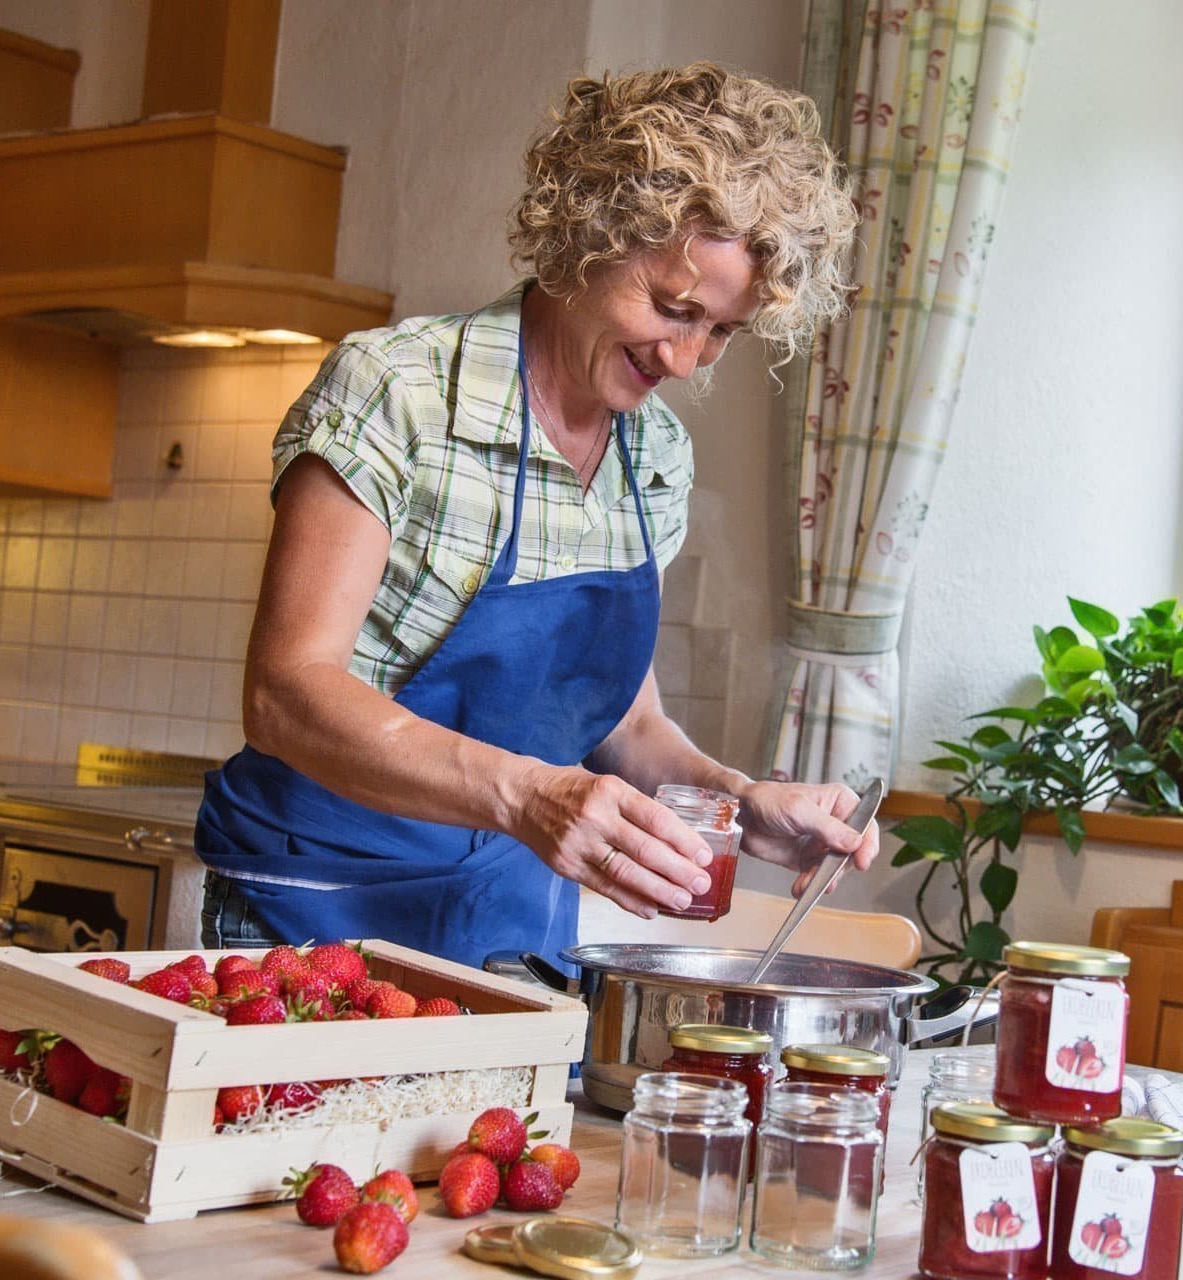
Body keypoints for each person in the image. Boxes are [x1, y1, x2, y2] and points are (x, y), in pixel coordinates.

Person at [194, 64, 864, 969]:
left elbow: (626, 727)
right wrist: (527, 797)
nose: (685, 357)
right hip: (318, 914)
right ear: (586, 238)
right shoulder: (400, 394)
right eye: (672, 308)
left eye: (721, 331)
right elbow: (285, 693)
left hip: (511, 924)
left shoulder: (654, 458)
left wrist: (740, 801)